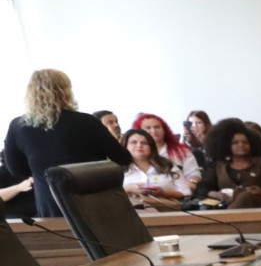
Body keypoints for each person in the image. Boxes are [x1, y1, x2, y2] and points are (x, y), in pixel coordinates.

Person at [2, 69, 131, 218]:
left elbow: (15, 168)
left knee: (60, 233)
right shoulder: (87, 121)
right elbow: (122, 158)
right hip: (91, 196)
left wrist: (40, 170)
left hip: (49, 199)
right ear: (66, 91)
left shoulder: (18, 126)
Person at [195, 119, 261, 208]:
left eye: (245, 142)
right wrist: (214, 194)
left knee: (247, 195)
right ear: (226, 145)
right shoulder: (217, 166)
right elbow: (202, 188)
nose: (241, 145)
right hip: (225, 205)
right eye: (235, 143)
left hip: (260, 206)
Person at [120, 127, 192, 209]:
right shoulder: (116, 167)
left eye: (144, 143)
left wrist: (163, 193)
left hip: (166, 211)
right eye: (133, 142)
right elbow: (108, 193)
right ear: (125, 145)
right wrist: (129, 189)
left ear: (151, 147)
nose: (139, 145)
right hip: (127, 211)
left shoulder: (167, 165)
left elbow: (185, 192)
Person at [134, 112, 201, 187]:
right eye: (148, 128)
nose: (154, 131)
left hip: (177, 191)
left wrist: (191, 183)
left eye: (157, 127)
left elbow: (193, 173)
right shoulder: (134, 152)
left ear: (164, 130)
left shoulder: (181, 151)